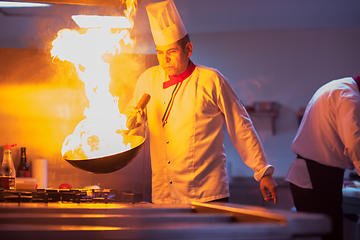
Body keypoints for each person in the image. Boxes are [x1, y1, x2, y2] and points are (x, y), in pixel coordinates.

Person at [125, 0, 277, 204]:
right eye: (160, 53)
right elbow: (133, 123)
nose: (165, 60)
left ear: (188, 49)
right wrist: (130, 123)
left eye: (172, 52)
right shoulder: (147, 80)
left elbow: (241, 126)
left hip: (207, 193)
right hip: (163, 195)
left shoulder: (212, 79)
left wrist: (263, 171)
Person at [285, 75, 360, 240]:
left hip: (316, 174)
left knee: (325, 233)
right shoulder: (349, 95)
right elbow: (354, 143)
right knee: (327, 234)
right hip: (316, 177)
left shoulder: (338, 87)